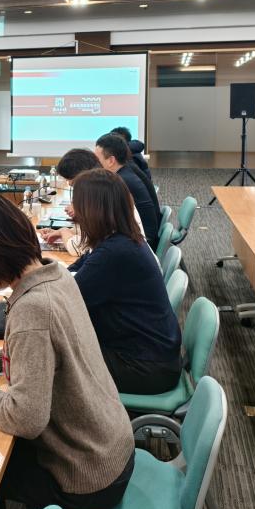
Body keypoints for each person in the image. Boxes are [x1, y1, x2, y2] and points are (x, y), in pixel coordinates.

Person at [0, 194, 134, 509]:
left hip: (87, 476)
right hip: (111, 448)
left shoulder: (32, 308)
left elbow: (26, 418)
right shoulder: (55, 273)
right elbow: (57, 356)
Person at [67, 169, 181, 394]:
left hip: (143, 367)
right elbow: (77, 270)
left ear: (92, 209)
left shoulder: (115, 252)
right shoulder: (121, 237)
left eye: (77, 205)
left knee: (56, 361)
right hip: (151, 355)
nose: (75, 213)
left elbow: (67, 301)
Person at [46, 148, 145, 252]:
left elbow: (79, 248)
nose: (72, 186)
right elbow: (91, 234)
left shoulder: (102, 197)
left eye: (74, 183)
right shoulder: (107, 187)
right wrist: (67, 232)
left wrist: (64, 232)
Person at [95, 133, 160, 248]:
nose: (95, 164)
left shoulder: (121, 182)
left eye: (98, 160)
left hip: (142, 242)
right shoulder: (127, 170)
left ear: (111, 161)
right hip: (142, 237)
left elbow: (106, 222)